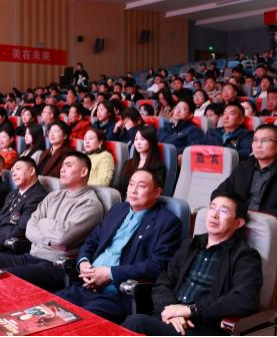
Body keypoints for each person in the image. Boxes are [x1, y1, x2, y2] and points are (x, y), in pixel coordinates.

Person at [122, 193, 262, 336]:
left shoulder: (245, 256)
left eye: (224, 211)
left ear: (238, 223)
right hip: (170, 318)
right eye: (212, 208)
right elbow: (163, 282)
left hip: (202, 326)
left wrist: (190, 310)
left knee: (136, 323)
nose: (214, 215)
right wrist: (173, 311)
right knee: (133, 322)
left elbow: (245, 299)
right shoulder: (190, 245)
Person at [56, 169, 183, 323]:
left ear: (157, 192)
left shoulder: (168, 222)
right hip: (85, 286)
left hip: (116, 296)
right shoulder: (118, 210)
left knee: (76, 325)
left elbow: (156, 266)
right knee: (45, 311)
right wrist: (83, 262)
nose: (133, 191)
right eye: (131, 184)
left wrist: (110, 274)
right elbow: (92, 240)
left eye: (141, 186)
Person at [0, 152, 104, 292]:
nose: (62, 169)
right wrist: (49, 241)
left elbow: (62, 236)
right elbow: (29, 228)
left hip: (56, 265)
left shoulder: (90, 204)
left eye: (68, 166)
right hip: (32, 256)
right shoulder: (53, 196)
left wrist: (42, 222)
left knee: (5, 278)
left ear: (83, 172)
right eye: (62, 166)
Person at [212, 124, 277, 220]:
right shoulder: (243, 167)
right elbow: (218, 193)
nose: (258, 145)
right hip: (238, 220)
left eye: (265, 141)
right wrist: (235, 211)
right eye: (255, 140)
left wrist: (261, 216)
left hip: (267, 223)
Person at [0, 157, 48, 256]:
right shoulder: (13, 193)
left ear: (32, 171)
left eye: (18, 169)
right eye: (12, 171)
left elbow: (20, 230)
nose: (14, 174)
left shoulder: (38, 196)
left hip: (8, 249)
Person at [120, 126, 166, 197]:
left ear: (151, 141)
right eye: (136, 139)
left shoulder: (158, 167)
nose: (138, 143)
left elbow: (155, 191)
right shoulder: (128, 163)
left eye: (142, 139)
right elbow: (121, 186)